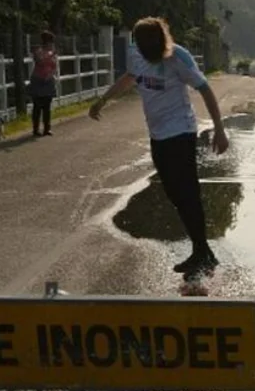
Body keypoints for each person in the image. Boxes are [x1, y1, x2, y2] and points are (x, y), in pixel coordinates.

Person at [89, 16, 230, 276]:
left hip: (181, 132)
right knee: (174, 194)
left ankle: (202, 252)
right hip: (158, 135)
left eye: (151, 46)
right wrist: (103, 100)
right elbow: (128, 78)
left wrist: (219, 130)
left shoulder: (178, 57)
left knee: (187, 192)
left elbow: (206, 89)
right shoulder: (137, 56)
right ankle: (202, 250)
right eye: (142, 46)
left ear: (161, 42)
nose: (147, 52)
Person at [28, 30, 58, 136]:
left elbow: (54, 66)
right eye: (50, 42)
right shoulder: (38, 51)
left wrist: (51, 74)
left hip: (48, 80)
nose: (51, 45)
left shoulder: (52, 53)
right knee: (37, 106)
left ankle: (47, 128)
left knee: (47, 106)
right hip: (38, 79)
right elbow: (40, 62)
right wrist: (51, 55)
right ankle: (35, 129)